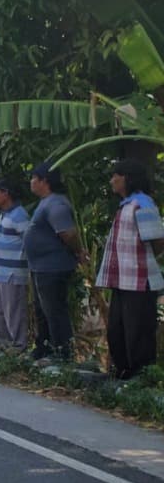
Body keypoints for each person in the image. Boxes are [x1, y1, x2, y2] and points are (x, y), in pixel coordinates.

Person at [95, 160, 164, 380]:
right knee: (117, 329)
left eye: (116, 175)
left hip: (139, 280)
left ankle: (141, 377)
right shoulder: (126, 204)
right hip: (122, 280)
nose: (112, 180)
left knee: (138, 332)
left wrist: (144, 261)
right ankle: (123, 372)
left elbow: (157, 241)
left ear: (127, 178)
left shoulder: (142, 204)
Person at [24, 162, 89, 363]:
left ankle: (62, 352)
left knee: (54, 310)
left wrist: (79, 252)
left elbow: (67, 233)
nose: (31, 182)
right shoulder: (46, 202)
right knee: (42, 310)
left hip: (53, 267)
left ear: (45, 181)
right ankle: (43, 347)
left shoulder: (56, 204)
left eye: (34, 178)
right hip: (40, 267)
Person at [0, 180, 30, 350]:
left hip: (12, 272)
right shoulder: (4, 214)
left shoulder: (20, 215)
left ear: (6, 194)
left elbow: (28, 242)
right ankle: (2, 342)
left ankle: (19, 344)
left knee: (13, 310)